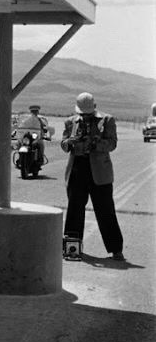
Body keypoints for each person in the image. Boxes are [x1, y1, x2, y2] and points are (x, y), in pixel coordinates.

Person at [61, 92, 124, 261]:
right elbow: (64, 144)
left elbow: (112, 144)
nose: (85, 117)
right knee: (74, 210)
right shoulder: (70, 122)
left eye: (88, 114)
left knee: (105, 210)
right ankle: (71, 247)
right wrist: (70, 142)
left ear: (95, 108)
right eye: (83, 114)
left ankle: (116, 249)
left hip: (100, 173)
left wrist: (96, 142)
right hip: (77, 169)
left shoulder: (107, 120)